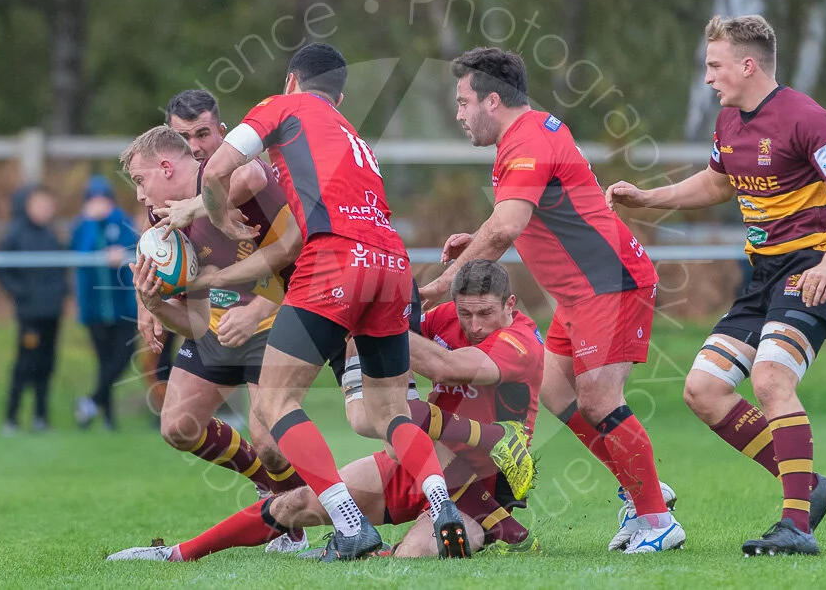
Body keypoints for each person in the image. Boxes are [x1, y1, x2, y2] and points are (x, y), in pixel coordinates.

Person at [607, 15, 826, 556]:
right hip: (764, 276)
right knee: (702, 390)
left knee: (771, 380)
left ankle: (796, 525)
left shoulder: (806, 117)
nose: (708, 77)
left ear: (748, 65)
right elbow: (718, 181)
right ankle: (808, 485)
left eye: (714, 65)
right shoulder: (730, 121)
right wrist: (649, 199)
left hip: (809, 267)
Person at [198, 43, 469, 560]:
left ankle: (349, 524)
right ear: (339, 96)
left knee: (276, 402)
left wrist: (220, 216)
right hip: (393, 264)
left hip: (336, 261)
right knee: (389, 407)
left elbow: (216, 171)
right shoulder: (351, 134)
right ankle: (441, 504)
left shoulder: (282, 107)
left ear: (291, 80)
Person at [107, 259, 543, 562]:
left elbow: (445, 364)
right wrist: (369, 320)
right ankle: (177, 554)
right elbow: (404, 331)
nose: (474, 325)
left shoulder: (521, 342)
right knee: (293, 504)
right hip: (422, 459)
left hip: (488, 476)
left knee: (415, 549)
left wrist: (366, 317)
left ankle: (494, 516)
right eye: (467, 314)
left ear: (511, 305)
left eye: (486, 313)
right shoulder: (450, 315)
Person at [419, 46, 678, 554]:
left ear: (492, 101)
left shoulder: (528, 140)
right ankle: (641, 486)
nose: (459, 114)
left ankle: (657, 520)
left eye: (463, 102)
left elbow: (508, 227)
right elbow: (528, 217)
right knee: (559, 395)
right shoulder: (526, 135)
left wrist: (437, 284)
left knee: (601, 399)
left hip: (609, 283)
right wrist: (475, 240)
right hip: (578, 296)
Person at [124, 124, 314, 553]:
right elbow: (194, 321)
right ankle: (276, 492)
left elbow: (300, 256)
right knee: (178, 427)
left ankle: (302, 516)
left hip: (278, 319)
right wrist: (154, 306)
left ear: (166, 166)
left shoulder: (236, 178)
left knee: (271, 445)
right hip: (220, 327)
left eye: (140, 180)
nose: (139, 195)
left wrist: (258, 307)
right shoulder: (162, 221)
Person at [0, 184, 69, 435]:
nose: (45, 209)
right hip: (30, 314)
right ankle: (11, 418)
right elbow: (3, 269)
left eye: (48, 205)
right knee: (25, 364)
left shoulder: (53, 234)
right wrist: (21, 293)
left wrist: (62, 292)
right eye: (40, 204)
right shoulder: (15, 234)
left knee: (47, 365)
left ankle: (40, 417)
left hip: (52, 312)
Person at [70, 175, 140, 431]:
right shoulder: (82, 226)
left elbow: (137, 246)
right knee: (103, 362)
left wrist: (120, 253)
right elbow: (79, 254)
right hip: (93, 306)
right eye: (93, 199)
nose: (98, 204)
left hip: (123, 305)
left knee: (124, 354)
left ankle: (91, 402)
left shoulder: (121, 221)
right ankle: (108, 418)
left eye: (103, 199)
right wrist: (91, 224)